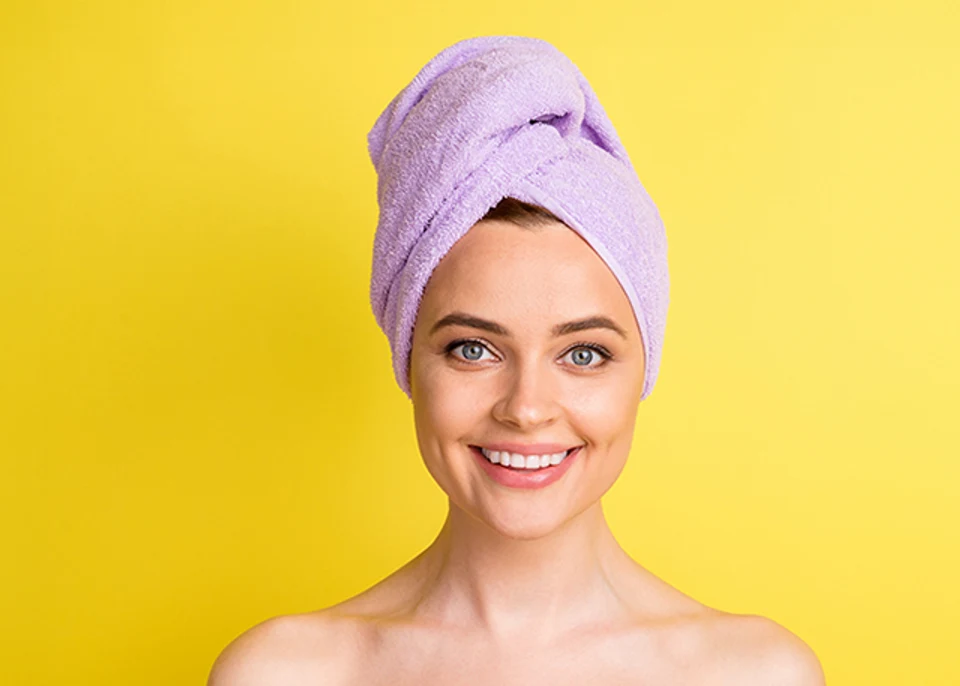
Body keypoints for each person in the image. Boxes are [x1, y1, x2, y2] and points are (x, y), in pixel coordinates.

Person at [208, 37, 824, 685]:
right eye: (472, 349)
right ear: (409, 360)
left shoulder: (756, 674)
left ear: (643, 369)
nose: (526, 408)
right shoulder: (285, 673)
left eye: (583, 353)